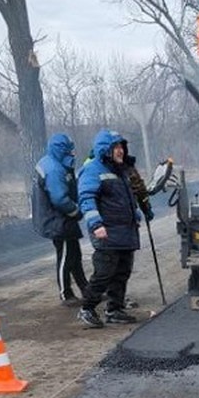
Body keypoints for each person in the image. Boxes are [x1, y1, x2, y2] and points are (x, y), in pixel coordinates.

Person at [76, 129, 145, 328]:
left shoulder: (121, 171)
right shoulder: (93, 170)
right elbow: (87, 199)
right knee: (104, 274)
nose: (120, 151)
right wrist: (96, 224)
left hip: (125, 232)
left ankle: (115, 309)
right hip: (107, 233)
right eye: (115, 147)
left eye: (121, 146)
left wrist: (136, 215)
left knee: (122, 272)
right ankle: (87, 309)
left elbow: (126, 198)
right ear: (105, 150)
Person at [32, 132, 88, 307]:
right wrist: (76, 212)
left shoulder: (52, 162)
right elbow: (60, 199)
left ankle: (86, 290)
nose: (73, 153)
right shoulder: (55, 170)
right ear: (61, 150)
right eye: (69, 150)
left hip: (61, 220)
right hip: (57, 221)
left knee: (75, 255)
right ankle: (66, 294)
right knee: (65, 257)